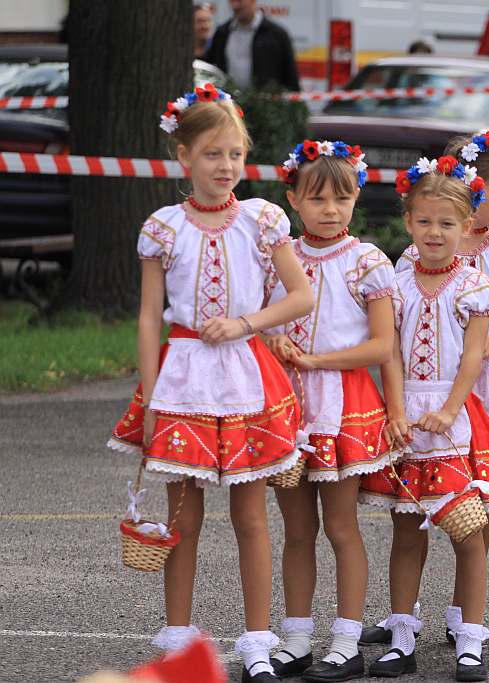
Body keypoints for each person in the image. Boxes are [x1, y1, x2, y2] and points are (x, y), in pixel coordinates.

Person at [108, 84, 314, 683]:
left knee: (252, 515)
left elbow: (298, 295)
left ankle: (256, 640)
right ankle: (179, 640)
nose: (226, 167)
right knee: (183, 517)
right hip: (183, 378)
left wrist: (248, 322)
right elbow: (151, 317)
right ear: (184, 158)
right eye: (212, 154)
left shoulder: (264, 220)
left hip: (247, 375)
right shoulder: (164, 227)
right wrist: (150, 395)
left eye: (235, 154)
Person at [362, 130, 489, 648]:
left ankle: (467, 624)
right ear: (409, 221)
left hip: (472, 400)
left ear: (464, 221)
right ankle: (403, 627)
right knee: (408, 519)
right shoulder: (399, 273)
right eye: (424, 222)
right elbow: (389, 346)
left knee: (471, 515)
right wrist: (396, 406)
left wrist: (460, 389)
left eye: (446, 223)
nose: (434, 232)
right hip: (413, 403)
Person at [263, 140, 396, 681]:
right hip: (286, 404)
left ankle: (346, 639)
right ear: (293, 198)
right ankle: (295, 639)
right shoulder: (279, 256)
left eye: (342, 198)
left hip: (344, 403)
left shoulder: (367, 260)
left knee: (341, 526)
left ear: (356, 197)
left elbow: (382, 346)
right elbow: (263, 320)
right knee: (296, 530)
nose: (331, 209)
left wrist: (317, 359)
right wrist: (272, 343)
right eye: (317, 198)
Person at [206, 0, 300, 91]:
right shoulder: (222, 33)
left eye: (239, 1)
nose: (235, 6)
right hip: (228, 103)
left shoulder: (276, 34)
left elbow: (290, 74)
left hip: (265, 103)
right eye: (231, 1)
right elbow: (211, 68)